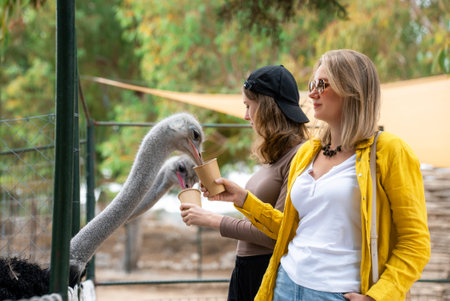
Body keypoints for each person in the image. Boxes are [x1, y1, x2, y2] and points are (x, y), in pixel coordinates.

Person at [202, 49, 431, 301]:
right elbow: (289, 228)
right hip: (284, 286)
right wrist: (243, 199)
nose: (311, 93)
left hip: (337, 294)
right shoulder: (307, 152)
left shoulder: (390, 151)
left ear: (351, 88)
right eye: (312, 84)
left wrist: (378, 296)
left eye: (322, 84)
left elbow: (415, 243)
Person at [180, 65, 309, 301]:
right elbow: (260, 217)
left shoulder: (298, 157)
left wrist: (213, 220)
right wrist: (231, 196)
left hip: (267, 271)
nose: (245, 116)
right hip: (246, 270)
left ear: (269, 109)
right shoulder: (276, 156)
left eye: (249, 106)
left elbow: (277, 233)